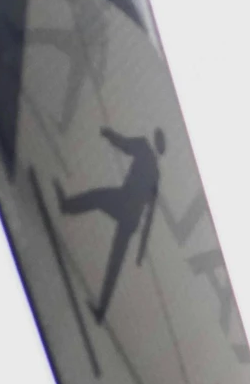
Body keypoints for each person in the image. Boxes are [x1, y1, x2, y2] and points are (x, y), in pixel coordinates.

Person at [54, 126, 167, 321]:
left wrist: (108, 134)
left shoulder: (144, 148)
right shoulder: (156, 175)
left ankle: (66, 206)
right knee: (115, 262)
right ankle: (102, 311)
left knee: (96, 198)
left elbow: (123, 144)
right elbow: (150, 215)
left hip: (122, 202)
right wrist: (141, 249)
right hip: (131, 219)